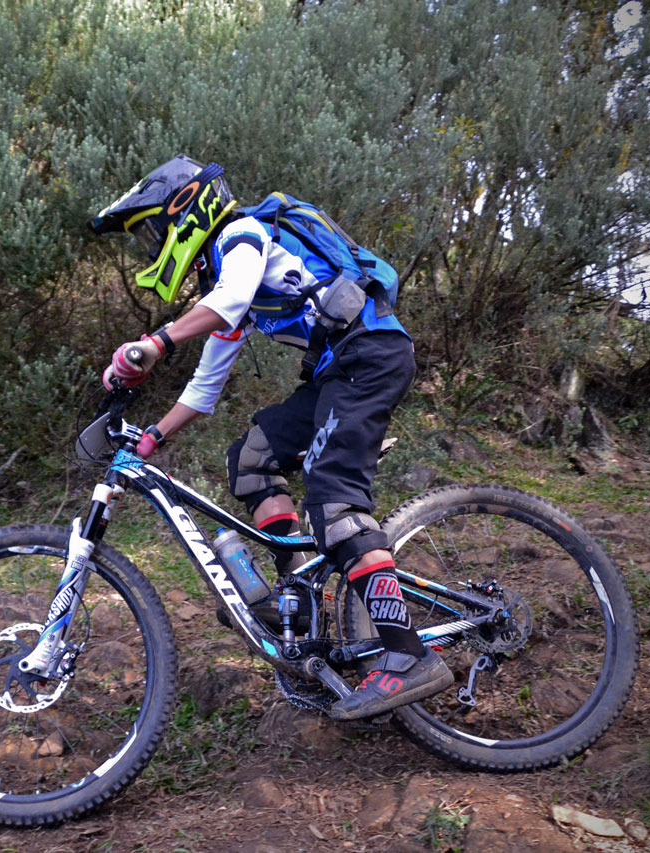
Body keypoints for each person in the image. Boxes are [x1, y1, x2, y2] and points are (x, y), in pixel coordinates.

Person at [89, 155, 452, 719]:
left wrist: (154, 343)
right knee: (252, 459)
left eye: (154, 231)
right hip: (340, 370)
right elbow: (205, 386)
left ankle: (409, 654)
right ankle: (298, 601)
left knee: (333, 505)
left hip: (371, 357)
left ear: (187, 209)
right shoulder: (226, 283)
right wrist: (153, 437)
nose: (154, 245)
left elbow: (228, 300)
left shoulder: (242, 236)